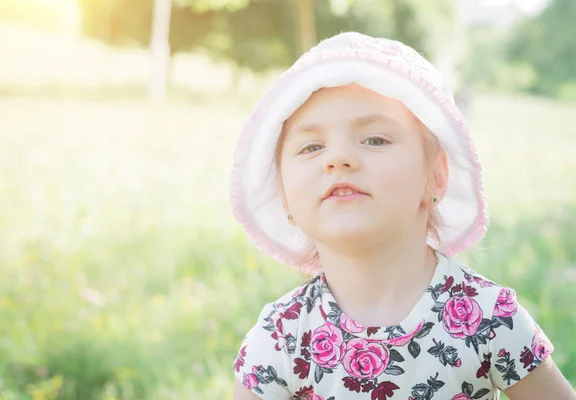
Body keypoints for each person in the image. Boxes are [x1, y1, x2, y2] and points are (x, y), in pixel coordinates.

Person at [229, 32, 575, 400]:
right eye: (312, 146)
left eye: (375, 139)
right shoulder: (280, 336)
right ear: (283, 195)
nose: (338, 158)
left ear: (436, 175)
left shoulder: (487, 316)